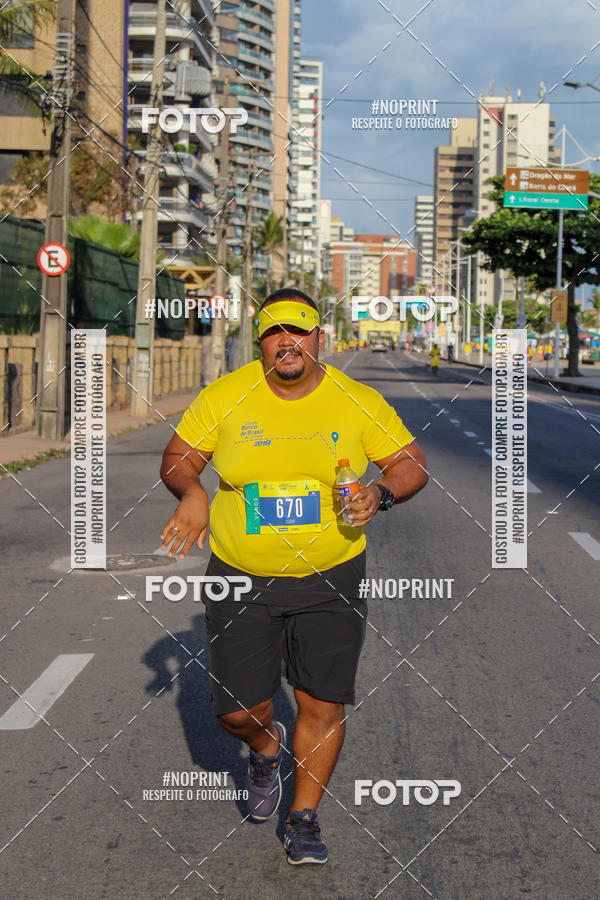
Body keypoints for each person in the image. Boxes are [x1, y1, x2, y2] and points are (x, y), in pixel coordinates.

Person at [159, 289, 428, 865]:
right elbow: (180, 457)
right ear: (260, 342)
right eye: (275, 332)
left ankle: (304, 817)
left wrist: (380, 492)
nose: (288, 341)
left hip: (330, 574)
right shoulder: (227, 396)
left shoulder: (355, 400)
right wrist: (191, 492)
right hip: (240, 575)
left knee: (323, 705)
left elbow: (410, 464)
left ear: (318, 339)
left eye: (300, 331)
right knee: (237, 712)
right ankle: (264, 749)